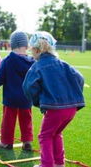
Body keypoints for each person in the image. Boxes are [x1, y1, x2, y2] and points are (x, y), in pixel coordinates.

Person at [22, 31, 85, 167]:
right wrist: (74, 97)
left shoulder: (37, 66)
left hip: (55, 109)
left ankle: (47, 164)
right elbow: (80, 78)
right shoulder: (64, 64)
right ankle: (59, 163)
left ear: (37, 50)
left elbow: (28, 87)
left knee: (44, 136)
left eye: (32, 50)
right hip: (71, 109)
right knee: (56, 133)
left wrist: (39, 101)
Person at [0, 31, 35, 151]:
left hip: (10, 97)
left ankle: (6, 142)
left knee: (8, 120)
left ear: (11, 45)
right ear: (26, 45)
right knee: (26, 120)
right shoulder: (32, 61)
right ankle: (27, 141)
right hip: (26, 97)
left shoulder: (7, 60)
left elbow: (0, 75)